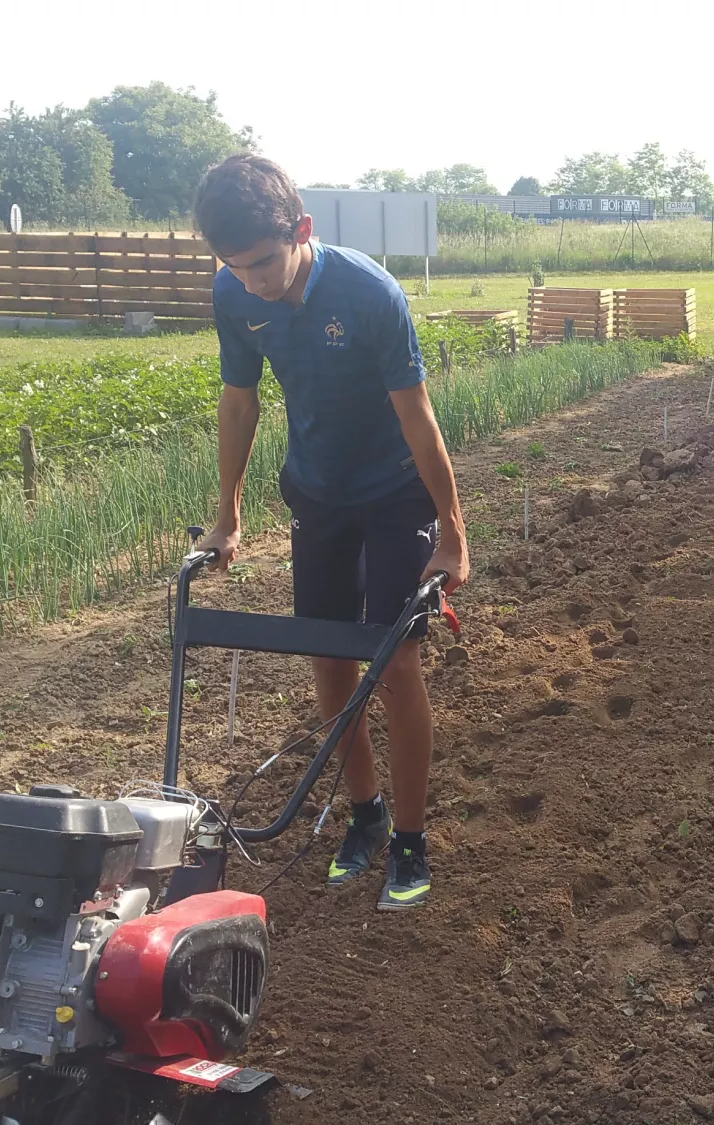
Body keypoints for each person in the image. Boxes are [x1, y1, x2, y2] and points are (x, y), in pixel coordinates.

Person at [192, 153, 471, 911]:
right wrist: (228, 515)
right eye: (234, 266)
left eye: (262, 262)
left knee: (395, 664)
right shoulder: (234, 294)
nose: (251, 280)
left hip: (392, 495)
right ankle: (366, 813)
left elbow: (417, 415)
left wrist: (452, 530)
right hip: (317, 492)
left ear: (301, 230)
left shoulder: (369, 293)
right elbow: (239, 401)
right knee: (327, 662)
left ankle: (410, 838)